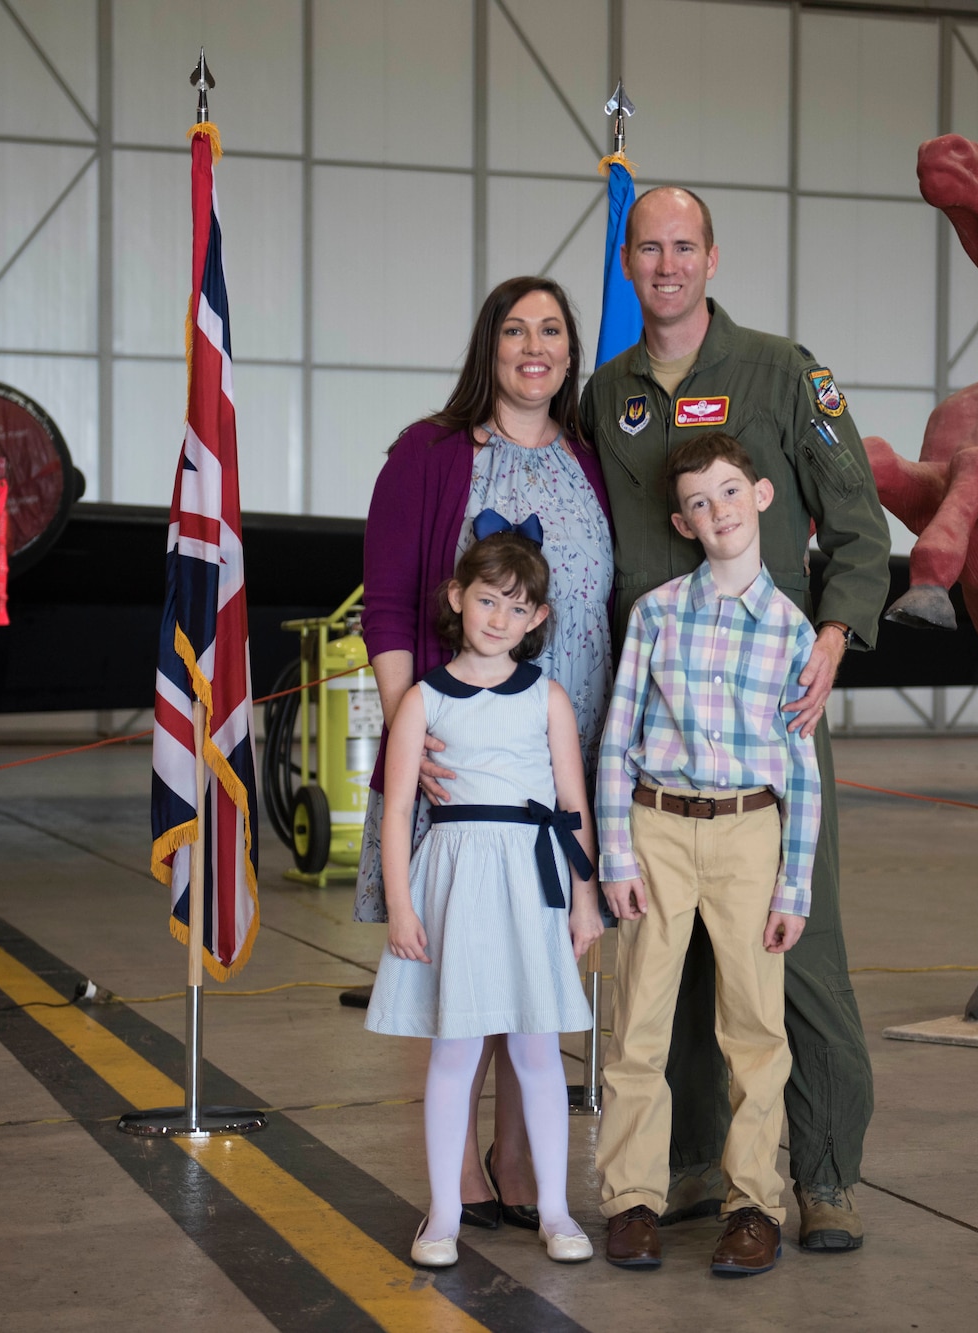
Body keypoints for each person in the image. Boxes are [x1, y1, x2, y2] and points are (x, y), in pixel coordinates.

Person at [577, 186, 891, 1252]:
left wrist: (834, 638)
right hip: (656, 721)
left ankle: (826, 1177)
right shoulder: (602, 391)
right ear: (626, 261)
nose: (664, 265)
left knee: (794, 955)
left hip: (766, 720)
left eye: (682, 246)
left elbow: (858, 524)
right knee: (662, 976)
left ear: (710, 257)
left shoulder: (779, 370)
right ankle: (690, 1170)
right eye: (646, 248)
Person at [358, 276, 616, 1229]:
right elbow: (389, 604)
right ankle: (458, 1171)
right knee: (465, 965)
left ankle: (519, 1158)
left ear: (569, 351)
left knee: (532, 960)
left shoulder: (590, 461)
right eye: (515, 329)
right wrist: (410, 733)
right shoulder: (427, 454)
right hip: (458, 752)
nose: (533, 346)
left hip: (563, 741)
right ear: (489, 345)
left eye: (551, 330)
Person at [594, 433, 823, 1276]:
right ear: (681, 521)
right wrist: (615, 854)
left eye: (730, 492)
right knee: (638, 1024)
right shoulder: (654, 614)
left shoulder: (793, 632)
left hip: (748, 833)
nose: (717, 510)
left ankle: (754, 1205)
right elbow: (618, 740)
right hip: (656, 829)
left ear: (761, 497)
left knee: (756, 1028)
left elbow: (801, 771)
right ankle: (632, 1201)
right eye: (699, 501)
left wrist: (792, 883)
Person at [365, 532, 605, 1268]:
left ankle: (557, 1209)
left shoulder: (548, 697)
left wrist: (585, 897)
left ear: (538, 619)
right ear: (457, 598)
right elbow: (399, 809)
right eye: (489, 599)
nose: (500, 617)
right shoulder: (422, 698)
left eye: (518, 606)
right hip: (456, 882)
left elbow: (573, 802)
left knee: (537, 1048)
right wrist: (401, 906)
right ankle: (441, 1211)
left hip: (531, 880)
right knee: (455, 1050)